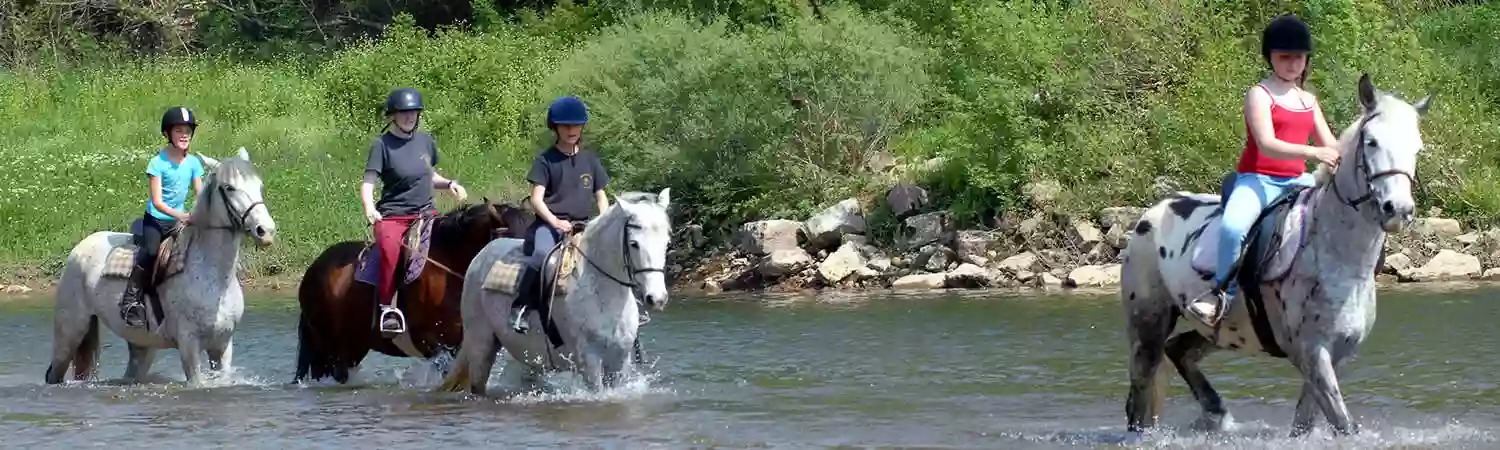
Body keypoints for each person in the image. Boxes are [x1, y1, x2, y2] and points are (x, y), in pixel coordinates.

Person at [1187, 13, 1342, 327]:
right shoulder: (1260, 94)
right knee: (1233, 228)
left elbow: (1332, 145)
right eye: (1284, 57)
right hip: (1259, 181)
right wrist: (1314, 152)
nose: (1292, 63)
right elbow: (1267, 144)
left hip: (1300, 182)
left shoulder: (1309, 101)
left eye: (1298, 57)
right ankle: (1222, 295)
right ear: (1270, 57)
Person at [361, 87, 468, 334]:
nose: (410, 116)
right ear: (393, 116)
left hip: (426, 213)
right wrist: (369, 206)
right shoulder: (382, 145)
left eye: (414, 112)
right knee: (389, 251)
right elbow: (368, 182)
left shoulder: (425, 141)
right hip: (394, 216)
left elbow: (430, 175)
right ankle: (387, 307)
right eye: (404, 112)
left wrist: (450, 184)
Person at [510, 96, 612, 334]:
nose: (571, 130)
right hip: (550, 225)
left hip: (584, 226)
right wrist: (555, 221)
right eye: (565, 126)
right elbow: (536, 199)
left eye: (575, 125)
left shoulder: (590, 160)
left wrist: (603, 221)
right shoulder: (545, 160)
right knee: (541, 256)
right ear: (555, 128)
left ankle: (629, 311)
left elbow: (601, 196)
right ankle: (522, 306)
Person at [120, 106, 206, 328]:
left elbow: (201, 194)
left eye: (187, 131)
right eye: (179, 130)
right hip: (157, 220)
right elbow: (158, 202)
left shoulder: (194, 163)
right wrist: (184, 216)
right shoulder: (157, 163)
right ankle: (131, 301)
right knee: (149, 252)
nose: (184, 135)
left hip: (180, 220)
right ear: (168, 134)